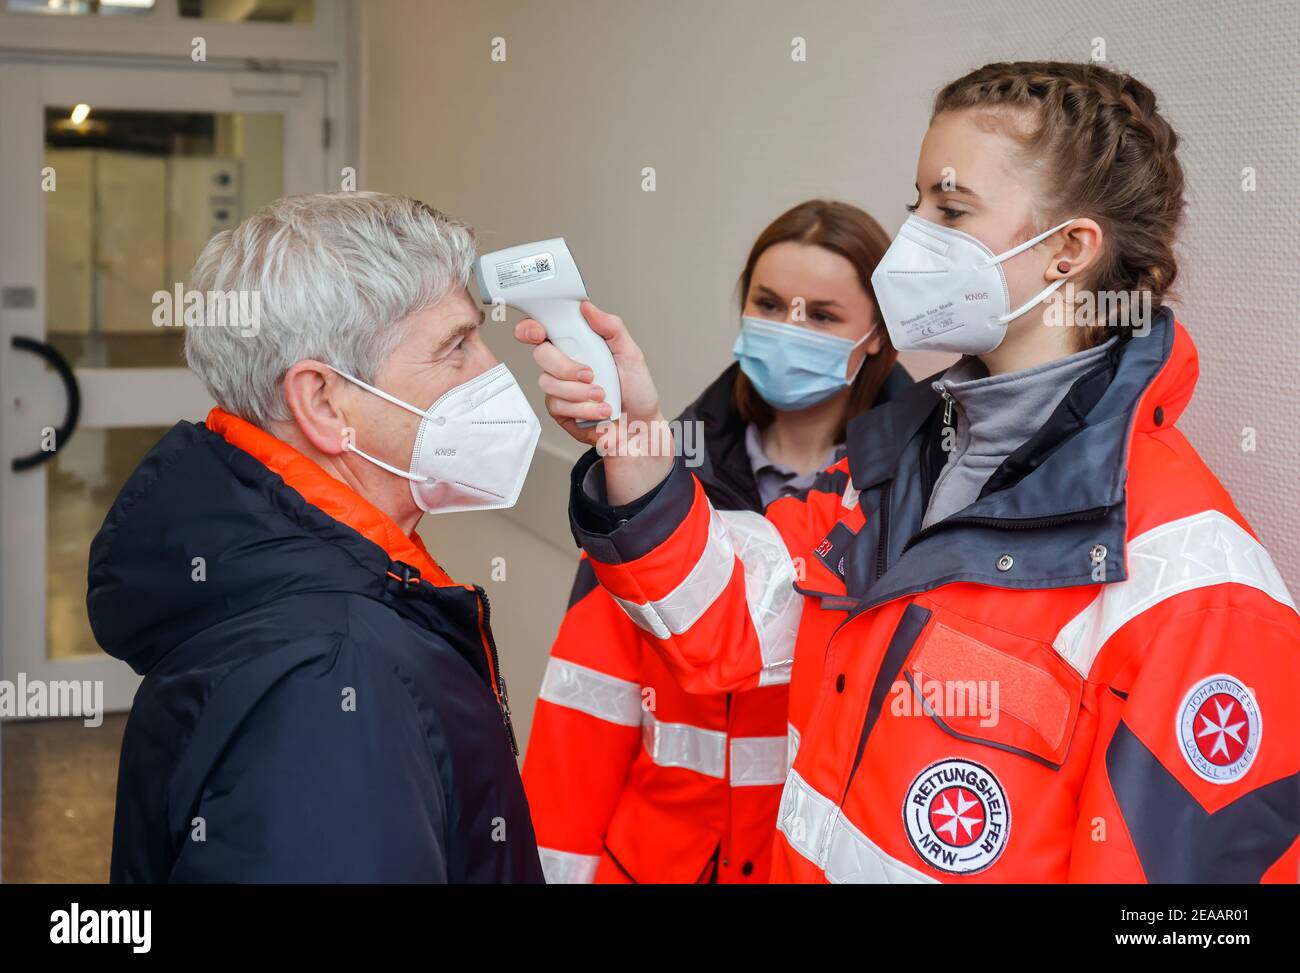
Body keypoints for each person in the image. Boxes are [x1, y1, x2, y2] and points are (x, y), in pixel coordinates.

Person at [519, 61, 1300, 882]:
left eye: (951, 209)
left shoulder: (1195, 588)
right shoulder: (895, 460)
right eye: (916, 203)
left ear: (1069, 250)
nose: (915, 238)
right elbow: (733, 620)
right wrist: (641, 448)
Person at [90, 192, 544, 883]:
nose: (492, 373)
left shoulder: (309, 578)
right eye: (455, 346)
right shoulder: (331, 678)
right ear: (324, 403)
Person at [523, 200, 914, 883]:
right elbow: (584, 712)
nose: (789, 329)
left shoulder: (911, 493)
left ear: (876, 335)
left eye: (821, 316)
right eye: (768, 303)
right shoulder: (655, 486)